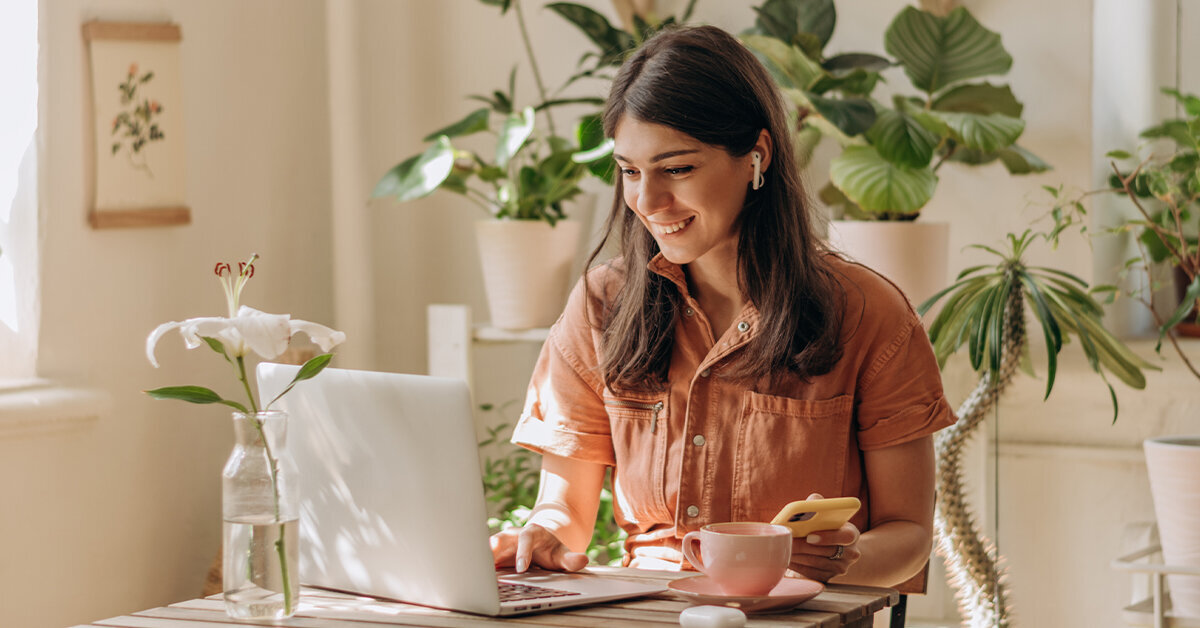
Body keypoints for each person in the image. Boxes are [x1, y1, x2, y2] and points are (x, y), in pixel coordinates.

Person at [488, 24, 956, 589]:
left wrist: (841, 559)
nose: (647, 201)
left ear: (756, 155)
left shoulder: (867, 311)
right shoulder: (600, 305)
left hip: (799, 615)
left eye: (678, 169)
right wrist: (542, 535)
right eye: (630, 171)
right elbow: (565, 512)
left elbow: (909, 532)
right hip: (647, 611)